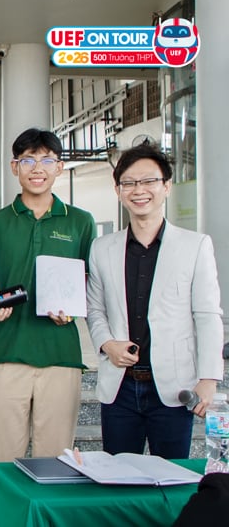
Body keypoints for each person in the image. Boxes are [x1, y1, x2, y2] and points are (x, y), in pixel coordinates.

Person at [86, 143, 223, 458]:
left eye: (149, 181)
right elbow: (95, 308)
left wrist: (209, 378)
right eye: (129, 183)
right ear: (118, 190)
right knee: (118, 477)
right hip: (119, 387)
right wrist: (107, 343)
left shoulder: (195, 246)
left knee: (172, 477)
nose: (139, 190)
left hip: (173, 387)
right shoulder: (102, 248)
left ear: (166, 186)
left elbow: (207, 315)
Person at [0, 128, 96, 468]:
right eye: (28, 160)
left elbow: (91, 285)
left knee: (56, 465)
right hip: (5, 356)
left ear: (59, 167)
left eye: (46, 160)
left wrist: (72, 311)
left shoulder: (80, 222)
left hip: (60, 357)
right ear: (14, 167)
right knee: (2, 463)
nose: (37, 168)